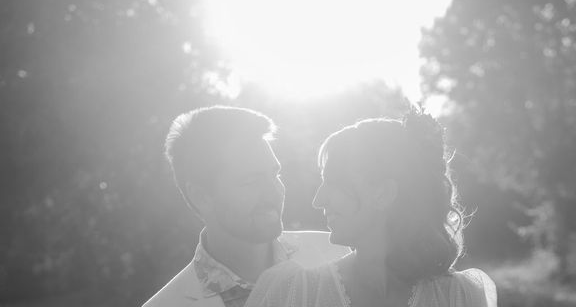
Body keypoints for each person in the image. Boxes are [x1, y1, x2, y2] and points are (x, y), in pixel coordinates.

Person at [246, 106, 497, 307]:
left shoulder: (460, 297)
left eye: (333, 183)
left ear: (383, 193)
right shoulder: (291, 292)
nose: (318, 200)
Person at [142, 106, 349, 307]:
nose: (274, 192)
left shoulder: (338, 255)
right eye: (251, 181)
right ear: (201, 197)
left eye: (275, 174)